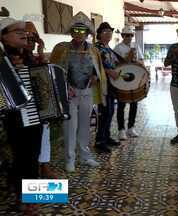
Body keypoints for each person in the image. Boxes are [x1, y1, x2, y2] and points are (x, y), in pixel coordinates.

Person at [50, 12, 107, 172]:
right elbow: (53, 71)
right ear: (71, 32)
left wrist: (96, 77)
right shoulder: (61, 49)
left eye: (82, 31)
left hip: (87, 91)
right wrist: (64, 87)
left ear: (88, 34)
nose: (79, 34)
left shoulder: (94, 51)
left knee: (85, 125)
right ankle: (70, 159)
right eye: (75, 31)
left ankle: (85, 156)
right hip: (69, 94)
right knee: (70, 126)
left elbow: (99, 70)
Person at [0, 17, 42, 213]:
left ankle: (32, 196)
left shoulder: (29, 56)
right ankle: (21, 195)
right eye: (17, 31)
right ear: (4, 37)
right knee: (21, 157)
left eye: (24, 31)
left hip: (34, 115)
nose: (23, 34)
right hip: (13, 118)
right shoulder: (2, 59)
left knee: (33, 155)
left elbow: (41, 82)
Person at [23, 21, 56, 178]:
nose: (29, 42)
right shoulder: (15, 57)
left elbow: (44, 73)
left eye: (33, 39)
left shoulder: (31, 56)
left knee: (45, 129)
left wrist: (41, 50)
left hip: (36, 105)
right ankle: (34, 175)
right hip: (22, 108)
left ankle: (44, 166)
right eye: (26, 38)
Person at [113, 25, 144, 140]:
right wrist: (127, 57)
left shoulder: (136, 46)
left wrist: (138, 62)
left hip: (135, 78)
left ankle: (131, 127)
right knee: (121, 105)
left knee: (134, 103)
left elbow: (141, 60)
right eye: (127, 35)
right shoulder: (118, 48)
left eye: (131, 35)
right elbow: (115, 65)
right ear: (122, 36)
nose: (129, 37)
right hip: (122, 79)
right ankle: (121, 129)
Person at [94, 22, 121, 152]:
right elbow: (93, 67)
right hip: (102, 85)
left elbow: (115, 64)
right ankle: (100, 141)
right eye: (105, 32)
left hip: (111, 85)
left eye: (110, 31)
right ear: (99, 34)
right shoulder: (96, 48)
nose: (109, 34)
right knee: (104, 113)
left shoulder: (108, 48)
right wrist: (109, 71)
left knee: (110, 111)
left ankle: (107, 136)